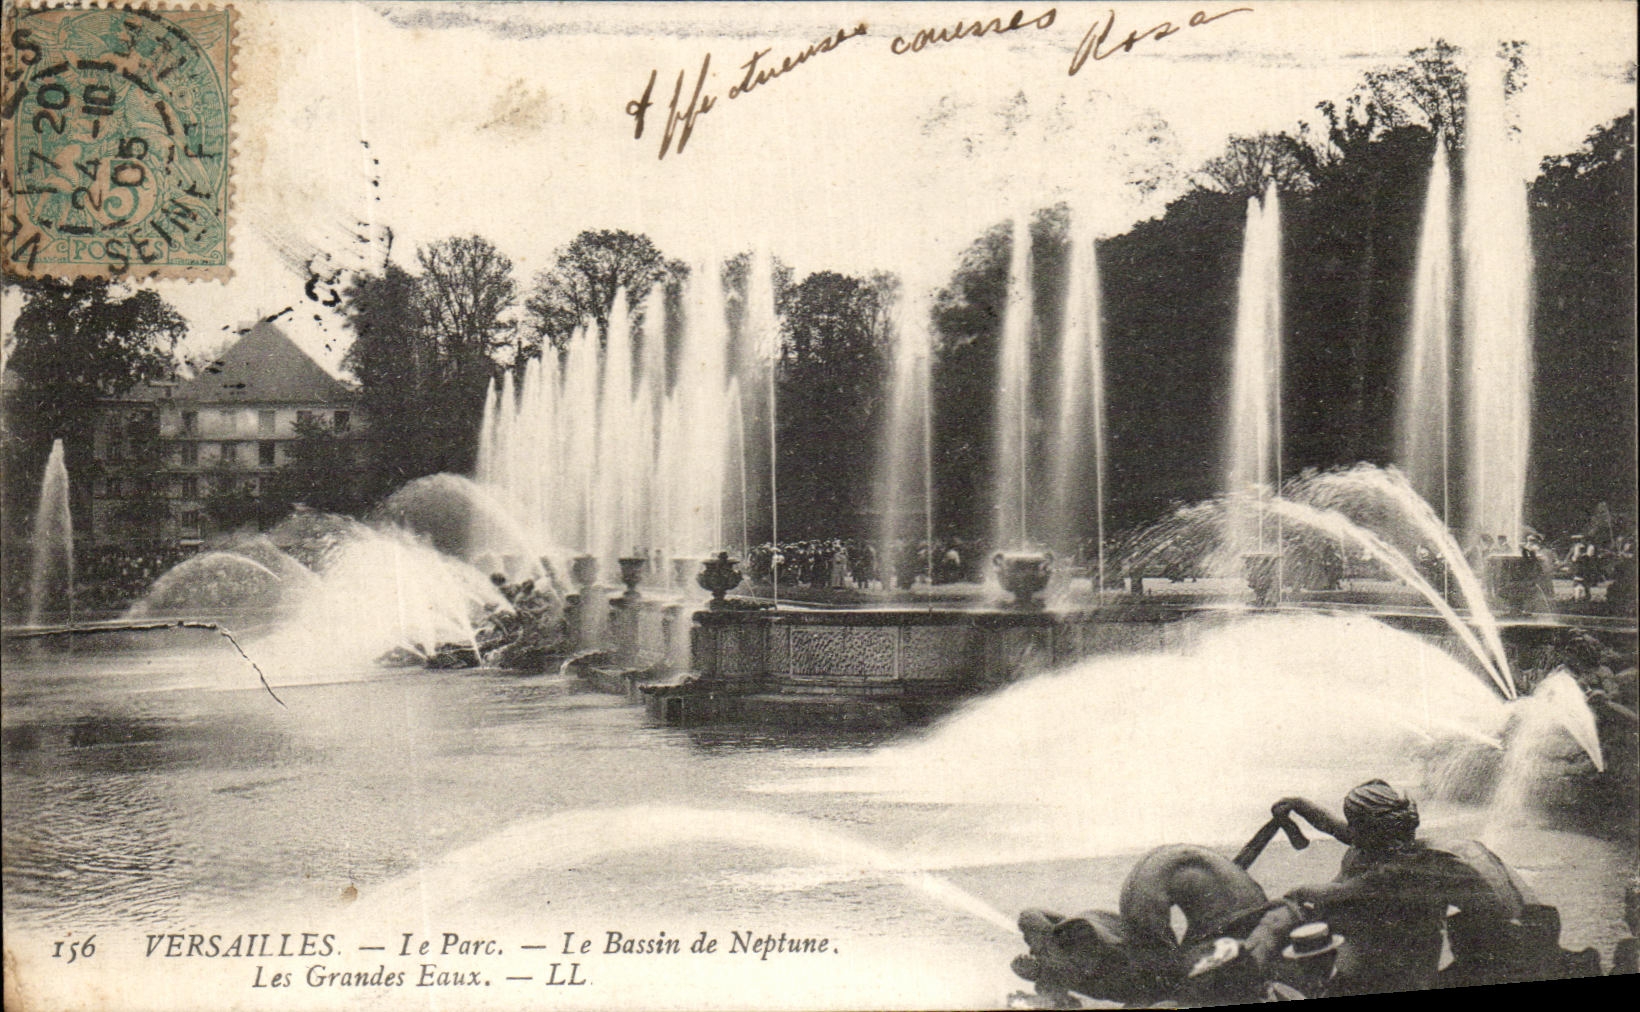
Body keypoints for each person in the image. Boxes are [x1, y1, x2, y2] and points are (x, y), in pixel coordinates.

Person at [1271, 780, 1497, 996]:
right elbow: (1332, 826)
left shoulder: (1396, 869)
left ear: (1371, 829)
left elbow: (1335, 893)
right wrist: (1299, 805)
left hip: (1392, 968)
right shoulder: (1377, 845)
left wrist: (1297, 891)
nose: (1349, 829)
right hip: (1373, 951)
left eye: (1354, 824)